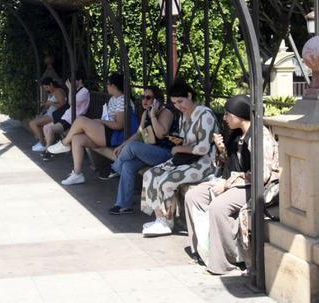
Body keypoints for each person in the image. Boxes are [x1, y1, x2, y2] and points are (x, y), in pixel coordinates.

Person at [183, 94, 280, 274]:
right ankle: (202, 250)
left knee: (218, 207)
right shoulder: (236, 134)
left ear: (239, 115)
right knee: (193, 196)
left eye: (228, 114)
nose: (225, 118)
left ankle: (224, 262)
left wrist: (229, 184)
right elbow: (227, 164)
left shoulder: (259, 137)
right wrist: (220, 149)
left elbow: (262, 174)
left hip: (255, 187)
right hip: (230, 181)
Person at [140, 79, 218, 236]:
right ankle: (160, 218)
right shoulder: (184, 116)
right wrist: (179, 141)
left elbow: (202, 148)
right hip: (186, 159)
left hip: (204, 163)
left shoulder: (205, 115)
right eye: (175, 103)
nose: (178, 106)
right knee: (150, 174)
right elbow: (186, 140)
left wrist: (179, 147)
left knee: (165, 180)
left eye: (180, 101)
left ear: (189, 95)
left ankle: (167, 221)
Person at [48, 73, 138, 185]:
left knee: (80, 120)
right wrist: (100, 122)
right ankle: (77, 174)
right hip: (108, 133)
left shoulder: (122, 100)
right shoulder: (114, 99)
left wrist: (100, 121)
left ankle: (64, 143)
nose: (107, 87)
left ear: (113, 86)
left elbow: (119, 125)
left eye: (108, 84)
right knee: (77, 138)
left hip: (117, 136)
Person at [106, 86, 176, 214]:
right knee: (127, 166)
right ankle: (123, 205)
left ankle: (115, 168)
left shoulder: (166, 113)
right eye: (143, 97)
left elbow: (161, 134)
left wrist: (153, 116)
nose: (145, 100)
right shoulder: (145, 113)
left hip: (166, 155)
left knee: (133, 147)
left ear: (157, 101)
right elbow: (138, 135)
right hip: (150, 152)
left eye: (149, 98)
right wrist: (122, 146)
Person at [40, 72, 89, 161]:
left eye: (74, 81)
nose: (72, 83)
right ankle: (49, 148)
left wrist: (70, 88)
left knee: (50, 129)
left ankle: (49, 152)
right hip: (66, 117)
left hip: (72, 119)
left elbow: (71, 103)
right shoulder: (77, 90)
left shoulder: (84, 91)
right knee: (46, 127)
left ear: (80, 80)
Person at [29, 78, 67, 152]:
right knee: (34, 121)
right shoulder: (51, 93)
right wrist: (45, 107)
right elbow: (49, 105)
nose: (46, 89)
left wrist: (51, 103)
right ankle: (42, 142)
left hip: (55, 115)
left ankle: (42, 143)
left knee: (33, 123)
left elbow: (63, 105)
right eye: (44, 88)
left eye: (47, 87)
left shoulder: (59, 91)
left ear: (51, 84)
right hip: (49, 114)